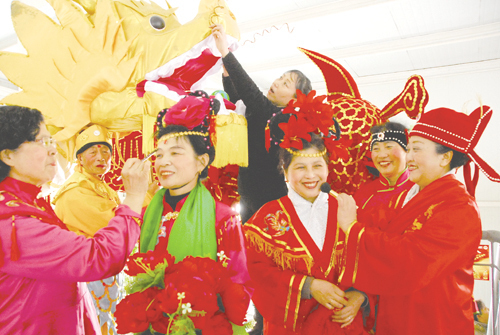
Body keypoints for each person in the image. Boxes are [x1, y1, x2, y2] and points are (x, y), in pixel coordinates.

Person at [336, 105, 500, 334]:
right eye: (409, 148)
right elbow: (385, 221)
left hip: (432, 321)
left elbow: (409, 260)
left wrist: (352, 228)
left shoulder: (458, 206)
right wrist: (335, 207)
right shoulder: (419, 195)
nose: (409, 157)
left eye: (416, 149)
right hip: (403, 316)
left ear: (445, 157)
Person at [0, 105, 150, 334]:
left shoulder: (29, 204)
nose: (53, 151)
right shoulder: (12, 222)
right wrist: (135, 195)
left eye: (52, 142)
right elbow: (99, 255)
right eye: (42, 142)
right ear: (8, 155)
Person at [243, 91, 369, 335]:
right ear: (285, 171)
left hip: (343, 324)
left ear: (327, 169)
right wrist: (307, 286)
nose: (310, 176)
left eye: (317, 166)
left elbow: (374, 261)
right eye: (300, 167)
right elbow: (253, 272)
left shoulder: (347, 209)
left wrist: (360, 297)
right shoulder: (266, 218)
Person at [137, 91, 252, 334]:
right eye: (158, 154)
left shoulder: (222, 218)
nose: (163, 162)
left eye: (175, 153)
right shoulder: (145, 214)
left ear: (202, 162)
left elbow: (237, 283)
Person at [211, 24, 312, 223]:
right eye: (280, 78)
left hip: (268, 199)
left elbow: (251, 95)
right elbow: (239, 98)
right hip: (248, 195)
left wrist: (226, 53)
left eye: (285, 84)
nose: (276, 82)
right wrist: (226, 71)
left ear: (294, 101)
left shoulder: (280, 118)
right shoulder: (262, 110)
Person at [53, 125, 124, 335]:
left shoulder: (102, 187)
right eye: (92, 152)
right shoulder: (75, 191)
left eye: (105, 151)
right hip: (87, 275)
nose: (101, 157)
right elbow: (115, 225)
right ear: (80, 158)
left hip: (106, 274)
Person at [354, 121, 412, 230]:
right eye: (376, 149)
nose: (381, 155)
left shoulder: (420, 190)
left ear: (407, 150)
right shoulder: (363, 195)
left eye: (389, 146)